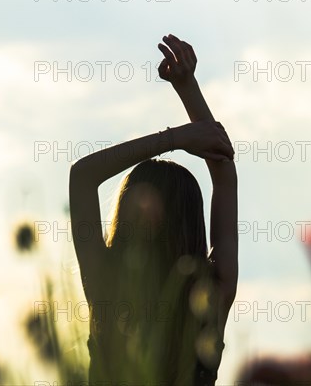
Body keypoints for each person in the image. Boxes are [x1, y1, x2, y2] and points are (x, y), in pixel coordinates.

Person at [69, 34, 238, 386]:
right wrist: (187, 88)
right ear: (191, 220)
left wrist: (174, 138)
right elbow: (224, 173)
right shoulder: (212, 292)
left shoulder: (106, 282)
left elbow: (82, 176)